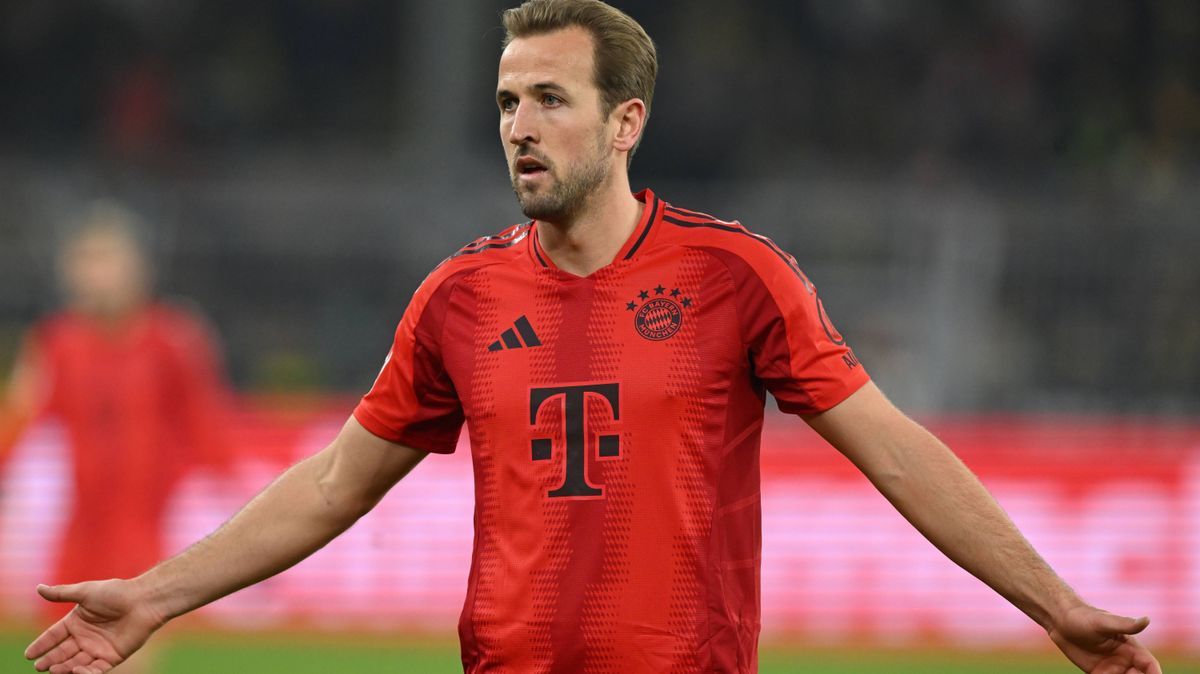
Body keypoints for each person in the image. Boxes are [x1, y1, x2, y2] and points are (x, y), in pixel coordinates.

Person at [23, 2, 1161, 673]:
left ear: (627, 121)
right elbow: (333, 484)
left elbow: (898, 451)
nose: (520, 125)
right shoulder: (458, 297)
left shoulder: (734, 276)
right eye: (509, 100)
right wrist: (161, 594)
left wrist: (1053, 602)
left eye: (551, 99)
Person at [4, 202, 234, 674]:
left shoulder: (173, 339)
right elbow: (16, 424)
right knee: (62, 660)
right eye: (84, 261)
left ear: (137, 268)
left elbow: (210, 431)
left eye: (105, 259)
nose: (94, 275)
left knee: (118, 660)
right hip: (76, 535)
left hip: (143, 536)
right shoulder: (55, 342)